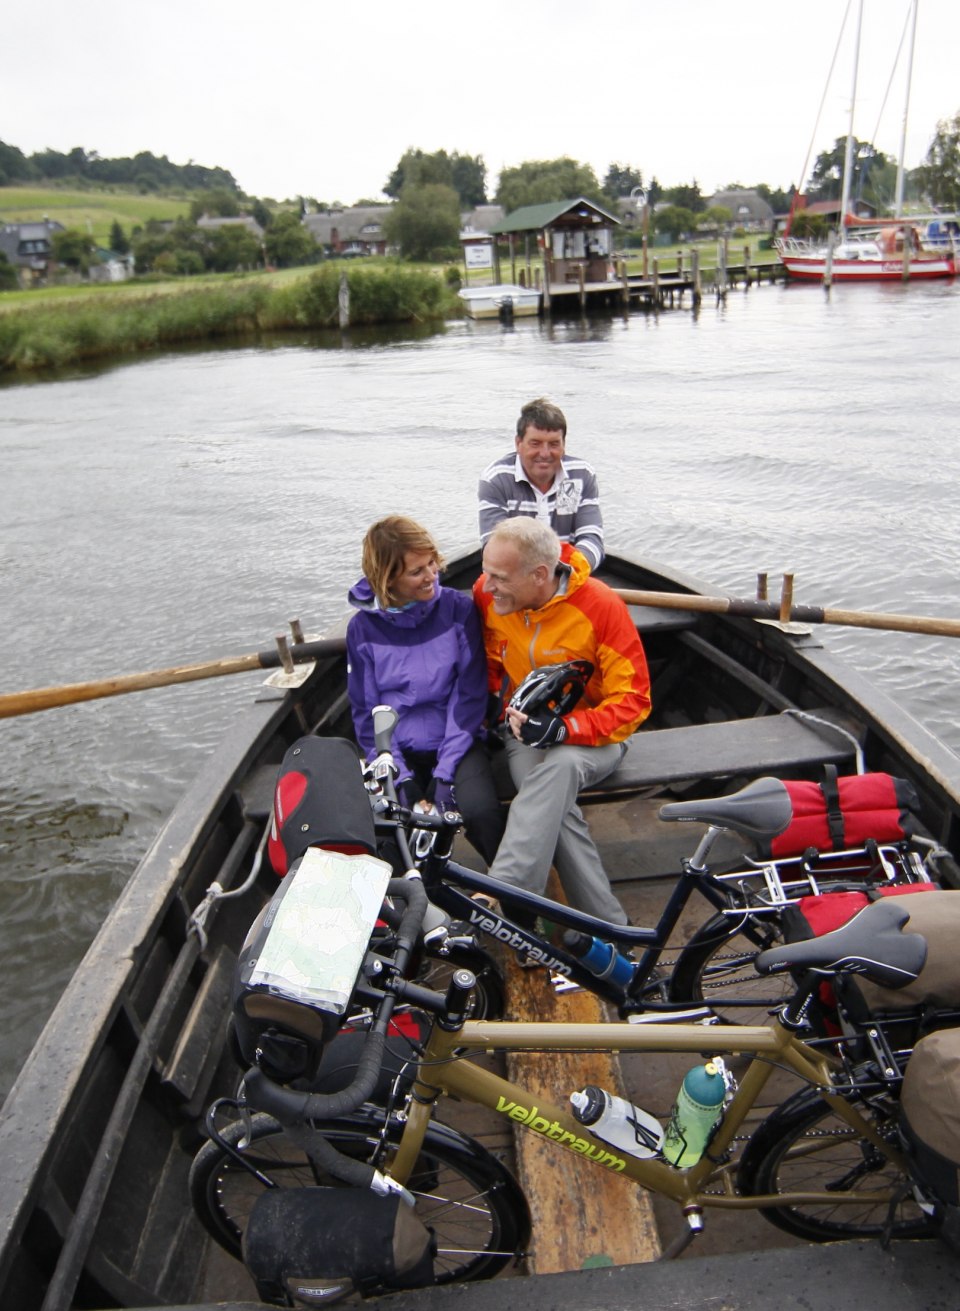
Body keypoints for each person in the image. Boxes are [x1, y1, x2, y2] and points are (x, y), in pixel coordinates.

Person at [473, 518, 651, 924]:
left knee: (563, 767)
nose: (486, 585)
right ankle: (609, 931)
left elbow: (634, 701)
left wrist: (567, 729)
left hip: (599, 735)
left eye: (498, 577)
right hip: (525, 733)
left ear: (539, 575)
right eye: (485, 572)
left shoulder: (601, 607)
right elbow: (488, 667)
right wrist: (496, 719)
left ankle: (506, 891)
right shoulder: (489, 598)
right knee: (555, 807)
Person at [346, 516, 504, 866]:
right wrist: (401, 778)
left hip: (457, 742)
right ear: (388, 579)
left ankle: (522, 908)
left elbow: (470, 696)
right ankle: (416, 909)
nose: (432, 574)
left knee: (482, 815)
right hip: (396, 751)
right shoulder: (362, 629)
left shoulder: (457, 609)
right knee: (391, 833)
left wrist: (444, 777)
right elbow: (366, 714)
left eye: (432, 563)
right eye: (417, 571)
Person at [478, 397, 604, 572]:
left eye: (554, 444)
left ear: (564, 445)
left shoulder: (582, 475)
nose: (545, 453)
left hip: (569, 573)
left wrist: (567, 572)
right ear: (518, 444)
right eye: (535, 443)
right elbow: (493, 548)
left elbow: (592, 539)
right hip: (516, 579)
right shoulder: (496, 479)